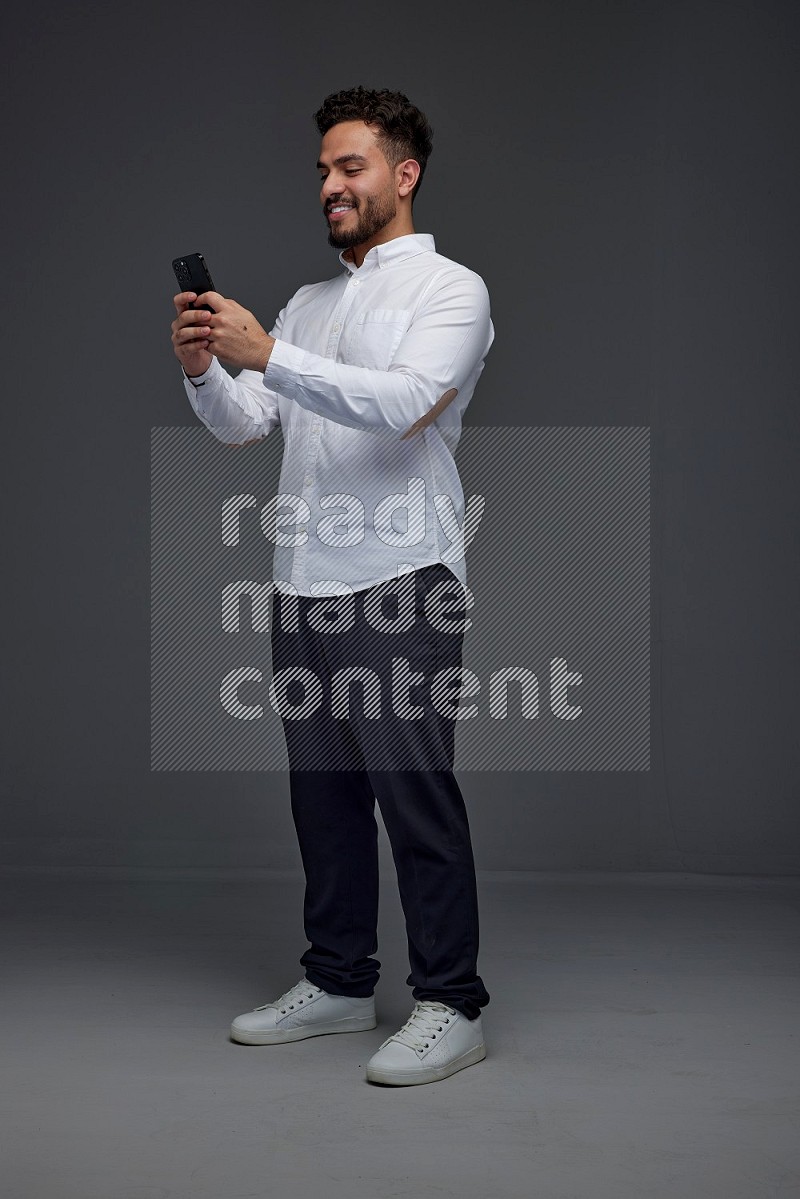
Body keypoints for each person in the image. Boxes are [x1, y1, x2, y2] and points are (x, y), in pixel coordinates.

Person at [170, 86, 494, 1086]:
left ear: (403, 174)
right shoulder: (309, 304)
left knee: (413, 795)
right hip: (302, 581)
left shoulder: (450, 290)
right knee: (325, 797)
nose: (329, 185)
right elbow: (246, 425)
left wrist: (267, 354)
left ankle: (450, 1000)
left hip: (401, 577)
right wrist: (202, 371)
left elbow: (401, 405)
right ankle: (340, 980)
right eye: (321, 169)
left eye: (348, 167)